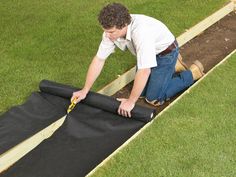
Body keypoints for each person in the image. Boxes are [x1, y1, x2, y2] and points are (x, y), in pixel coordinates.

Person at [71, 3, 204, 118]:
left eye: (111, 32)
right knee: (140, 94)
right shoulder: (110, 31)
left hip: (165, 53)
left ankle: (191, 73)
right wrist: (85, 90)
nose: (107, 35)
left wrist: (130, 102)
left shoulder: (141, 33)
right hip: (147, 54)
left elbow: (144, 70)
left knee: (153, 98)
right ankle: (173, 67)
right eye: (105, 31)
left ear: (123, 25)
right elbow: (99, 59)